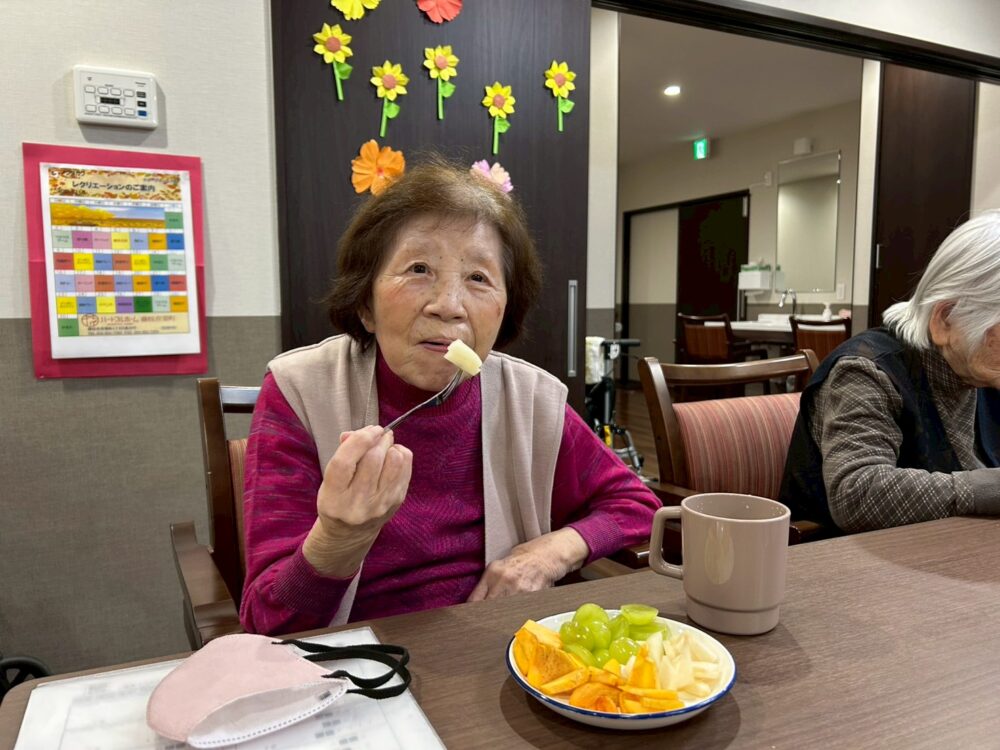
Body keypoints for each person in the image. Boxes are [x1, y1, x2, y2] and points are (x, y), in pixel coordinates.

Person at [240, 160, 660, 636]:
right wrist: (338, 538)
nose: (449, 305)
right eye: (419, 269)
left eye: (478, 278)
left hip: (499, 646)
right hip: (352, 662)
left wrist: (545, 555)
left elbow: (635, 504)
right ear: (366, 304)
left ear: (505, 311)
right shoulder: (300, 391)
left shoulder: (531, 399)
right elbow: (267, 621)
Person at [780, 210, 1000, 533]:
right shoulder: (866, 371)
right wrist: (985, 489)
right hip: (846, 566)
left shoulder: (978, 371)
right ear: (945, 319)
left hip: (946, 549)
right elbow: (856, 492)